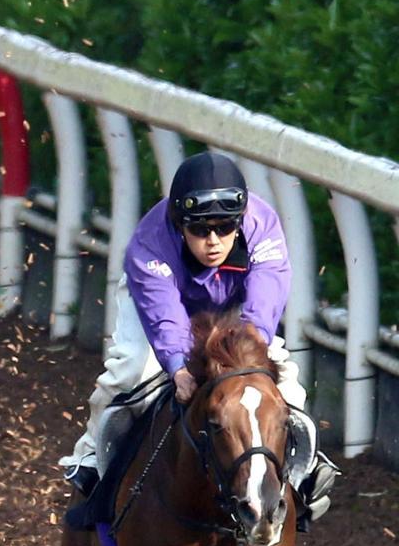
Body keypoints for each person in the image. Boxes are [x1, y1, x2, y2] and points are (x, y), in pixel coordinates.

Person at [59, 151, 338, 524]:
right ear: (179, 225)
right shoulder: (150, 242)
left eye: (225, 228)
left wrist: (249, 352)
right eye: (200, 230)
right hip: (164, 301)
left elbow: (265, 298)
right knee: (130, 370)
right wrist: (177, 368)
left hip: (235, 309)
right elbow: (165, 317)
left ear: (240, 221)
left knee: (286, 384)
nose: (213, 241)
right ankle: (90, 456)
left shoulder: (263, 226)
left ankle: (305, 473)